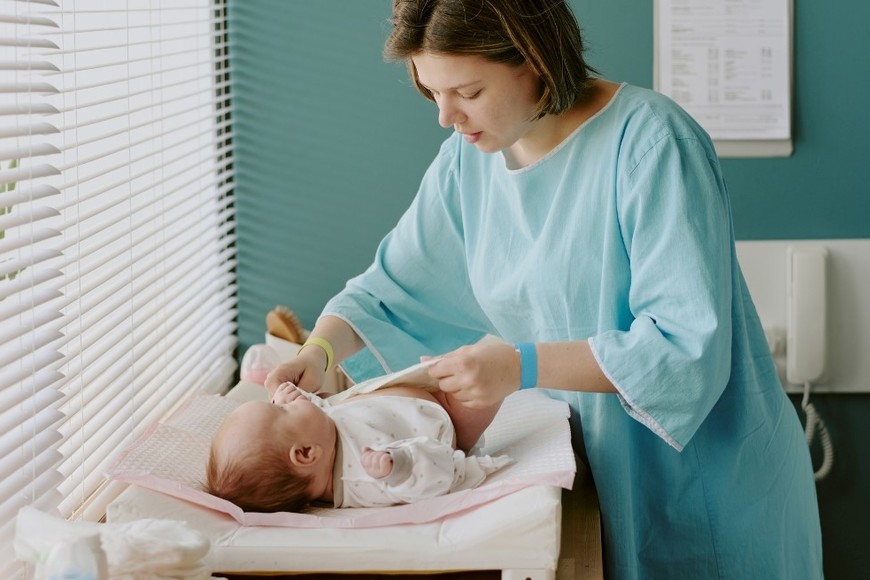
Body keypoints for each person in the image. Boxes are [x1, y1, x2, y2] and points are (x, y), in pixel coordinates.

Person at [265, 0, 824, 577]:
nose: (446, 116)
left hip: (706, 482)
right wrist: (319, 351)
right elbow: (391, 288)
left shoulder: (652, 142)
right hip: (592, 471)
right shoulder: (469, 160)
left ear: (534, 60)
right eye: (431, 92)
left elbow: (681, 351)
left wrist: (521, 366)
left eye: (468, 92)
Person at [204, 378, 507, 512]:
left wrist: (295, 400)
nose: (281, 402)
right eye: (280, 410)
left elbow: (316, 413)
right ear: (306, 453)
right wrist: (397, 467)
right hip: (448, 422)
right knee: (484, 387)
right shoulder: (364, 477)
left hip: (410, 397)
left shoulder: (319, 440)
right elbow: (430, 480)